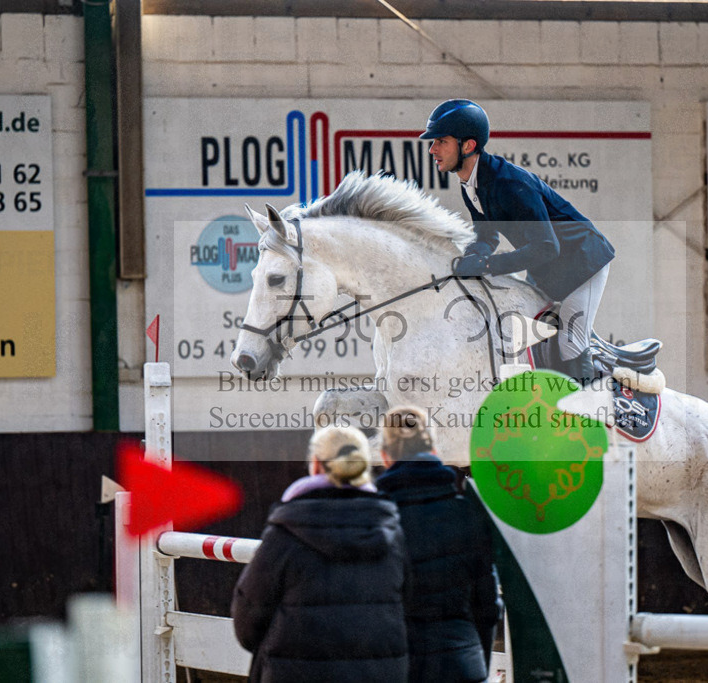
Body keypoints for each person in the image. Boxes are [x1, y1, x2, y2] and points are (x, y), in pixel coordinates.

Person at [420, 98, 616, 382]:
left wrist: (486, 265)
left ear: (468, 146)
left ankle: (586, 416)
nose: (432, 149)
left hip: (583, 263)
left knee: (571, 342)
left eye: (441, 141)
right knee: (529, 336)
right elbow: (487, 233)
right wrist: (473, 255)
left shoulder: (510, 184)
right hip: (548, 268)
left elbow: (547, 246)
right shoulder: (471, 183)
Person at [231, 426, 409, 683]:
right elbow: (409, 606)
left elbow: (248, 616)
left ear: (315, 464)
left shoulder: (286, 533)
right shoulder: (391, 534)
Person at [376, 406, 503, 683]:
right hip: (462, 664)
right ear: (434, 452)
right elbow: (488, 607)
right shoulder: (467, 514)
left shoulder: (373, 522)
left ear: (385, 457)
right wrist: (476, 659)